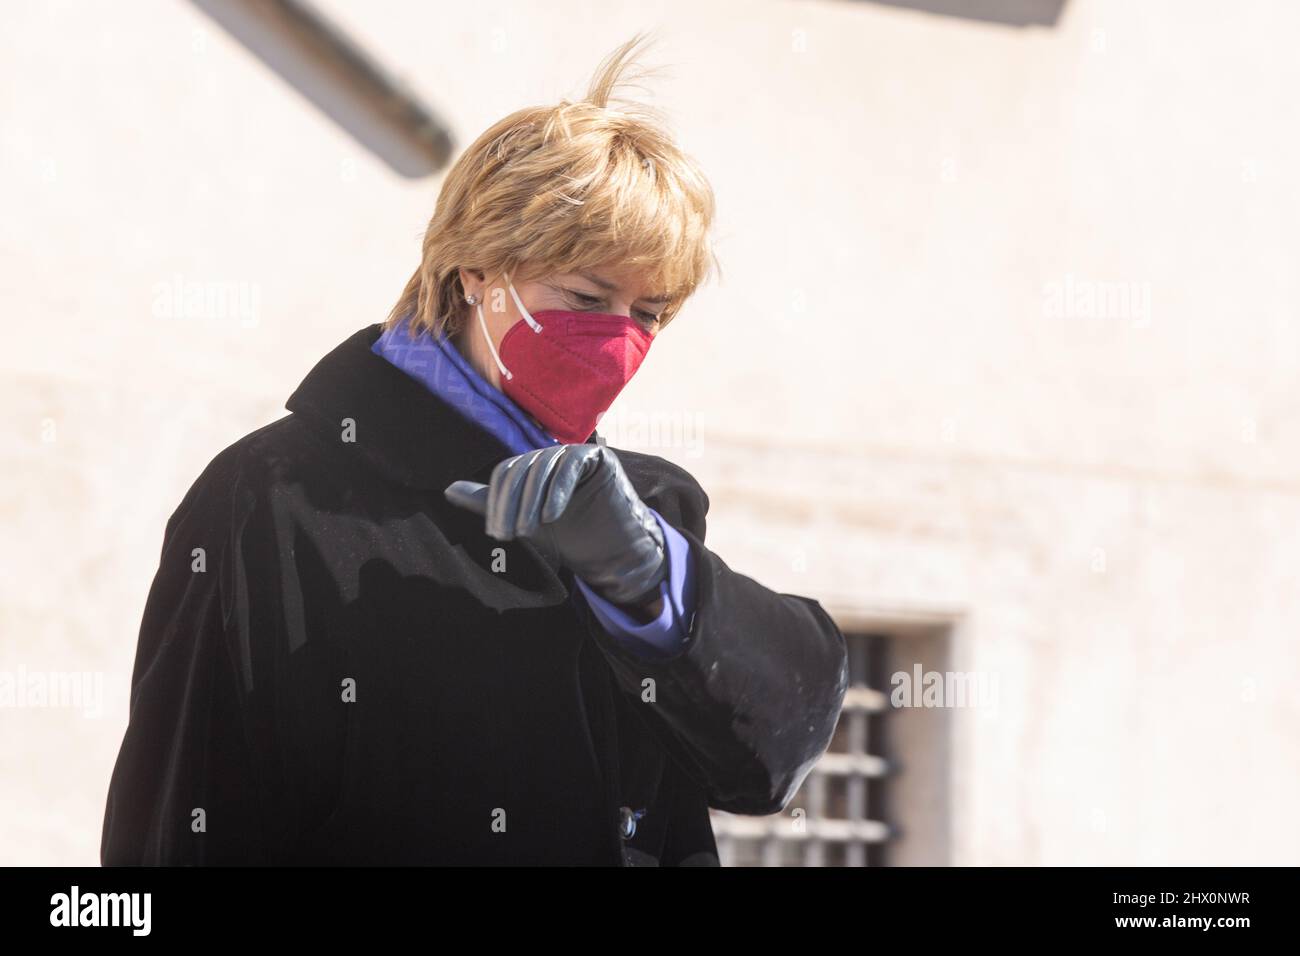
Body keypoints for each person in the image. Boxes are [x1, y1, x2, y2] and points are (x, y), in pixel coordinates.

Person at [101, 34, 848, 867]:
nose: (618, 340)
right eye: (587, 296)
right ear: (474, 271)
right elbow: (178, 828)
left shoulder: (652, 507)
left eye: (649, 313)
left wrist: (652, 586)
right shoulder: (270, 496)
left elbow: (774, 756)